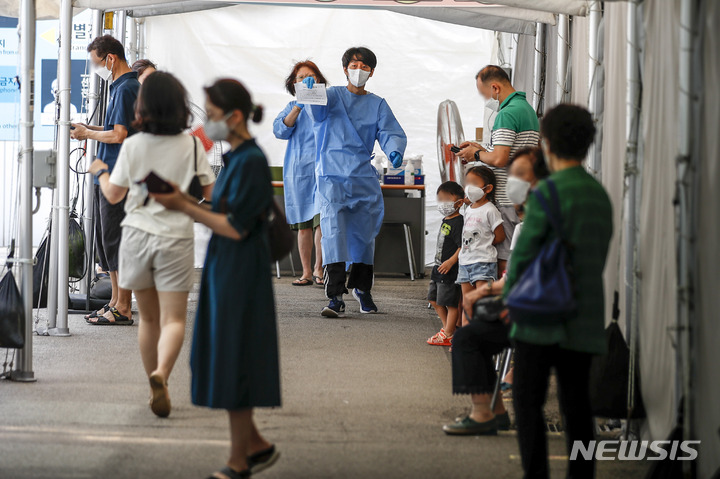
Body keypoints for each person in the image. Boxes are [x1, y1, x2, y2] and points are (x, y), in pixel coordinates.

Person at [151, 78, 281, 479]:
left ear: (235, 116)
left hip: (239, 268)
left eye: (212, 115)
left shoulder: (251, 161)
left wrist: (183, 205)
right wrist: (186, 199)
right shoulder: (238, 156)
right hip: (227, 266)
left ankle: (239, 459)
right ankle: (253, 445)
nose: (207, 123)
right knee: (228, 355)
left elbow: (236, 226)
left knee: (235, 356)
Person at [88, 72, 215, 417]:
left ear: (142, 107)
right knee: (174, 319)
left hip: (136, 236)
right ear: (179, 106)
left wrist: (99, 168)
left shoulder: (133, 145)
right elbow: (212, 194)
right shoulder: (190, 145)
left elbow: (114, 193)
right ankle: (163, 374)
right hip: (175, 238)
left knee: (148, 320)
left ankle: (153, 382)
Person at [504, 104, 612, 479]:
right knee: (577, 407)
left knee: (529, 402)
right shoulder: (598, 194)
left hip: (540, 318)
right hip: (584, 319)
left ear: (546, 142)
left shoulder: (548, 192)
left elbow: (523, 257)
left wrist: (507, 299)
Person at [442, 147, 549, 437]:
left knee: (468, 337)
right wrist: (489, 291)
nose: (512, 182)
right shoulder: (528, 224)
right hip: (527, 305)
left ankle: (484, 413)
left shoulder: (544, 222)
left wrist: (490, 291)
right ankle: (495, 412)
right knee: (473, 329)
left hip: (541, 314)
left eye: (520, 175)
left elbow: (531, 278)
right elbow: (515, 275)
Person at [304, 47, 407, 317]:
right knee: (334, 234)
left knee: (364, 237)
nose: (358, 70)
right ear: (345, 68)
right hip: (332, 177)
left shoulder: (378, 104)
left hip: (362, 177)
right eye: (353, 64)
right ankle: (335, 296)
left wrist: (394, 149)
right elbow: (316, 115)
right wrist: (312, 93)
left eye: (364, 66)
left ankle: (362, 289)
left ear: (372, 71)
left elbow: (390, 130)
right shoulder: (332, 96)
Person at [72, 34, 140, 325]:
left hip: (118, 176)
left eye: (97, 62)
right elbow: (113, 127)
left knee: (116, 240)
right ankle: (115, 300)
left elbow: (120, 135)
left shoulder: (126, 89)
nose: (96, 68)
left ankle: (123, 306)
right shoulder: (120, 87)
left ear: (110, 58)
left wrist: (88, 134)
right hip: (109, 174)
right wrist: (91, 127)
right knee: (107, 241)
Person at [455, 65, 540, 274]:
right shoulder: (526, 109)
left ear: (495, 87)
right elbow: (509, 151)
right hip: (522, 196)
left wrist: (474, 155)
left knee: (505, 261)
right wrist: (481, 148)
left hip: (506, 198)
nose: (487, 101)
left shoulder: (507, 113)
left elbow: (500, 159)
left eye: (485, 95)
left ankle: (504, 303)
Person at [273, 61, 328, 286]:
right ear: (294, 83)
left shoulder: (327, 104)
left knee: (321, 222)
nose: (306, 80)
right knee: (303, 225)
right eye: (300, 78)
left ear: (319, 80)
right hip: (299, 172)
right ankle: (306, 272)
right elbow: (280, 130)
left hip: (324, 169)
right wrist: (299, 106)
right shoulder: (291, 106)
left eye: (310, 77)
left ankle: (319, 270)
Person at [457, 166, 505, 326]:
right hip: (465, 262)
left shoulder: (490, 210)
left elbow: (499, 235)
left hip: (483, 262)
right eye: (467, 183)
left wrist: (483, 244)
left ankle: (479, 340)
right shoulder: (469, 209)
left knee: (481, 303)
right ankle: (464, 338)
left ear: (488, 188)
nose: (469, 187)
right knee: (467, 302)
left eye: (474, 183)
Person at [426, 181, 464, 347]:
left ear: (459, 202)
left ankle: (448, 332)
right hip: (438, 267)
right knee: (434, 300)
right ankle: (448, 329)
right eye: (439, 199)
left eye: (446, 199)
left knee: (450, 303)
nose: (442, 203)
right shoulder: (445, 220)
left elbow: (463, 246)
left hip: (449, 269)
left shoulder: (459, 222)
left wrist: (451, 261)